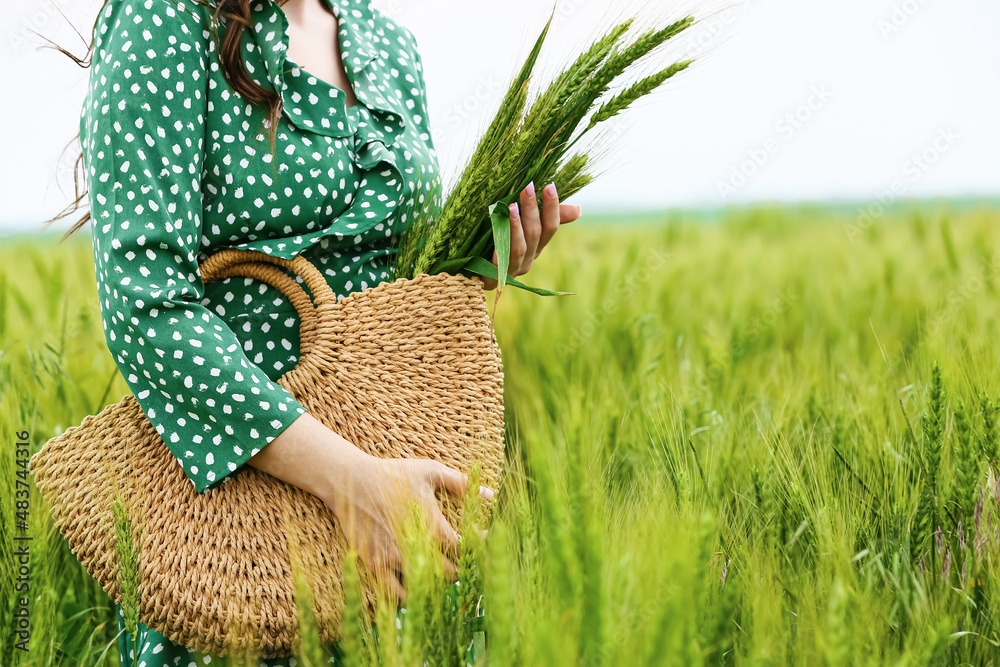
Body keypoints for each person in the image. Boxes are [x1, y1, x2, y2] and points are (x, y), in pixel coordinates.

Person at [66, 0, 582, 662]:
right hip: (245, 526)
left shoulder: (384, 40)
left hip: (403, 500)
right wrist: (349, 479)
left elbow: (392, 275)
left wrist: (477, 265)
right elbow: (147, 307)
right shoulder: (161, 19)